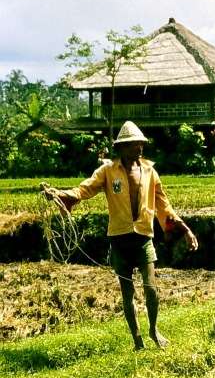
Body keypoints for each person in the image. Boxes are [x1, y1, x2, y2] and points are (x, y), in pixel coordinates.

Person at [44, 120, 198, 350]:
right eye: (134, 144)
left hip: (143, 237)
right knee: (128, 293)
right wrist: (61, 194)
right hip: (119, 238)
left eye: (140, 143)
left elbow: (164, 206)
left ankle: (154, 330)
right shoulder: (108, 171)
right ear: (122, 148)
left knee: (151, 288)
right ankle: (137, 340)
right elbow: (85, 189)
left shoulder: (150, 172)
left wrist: (186, 230)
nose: (139, 147)